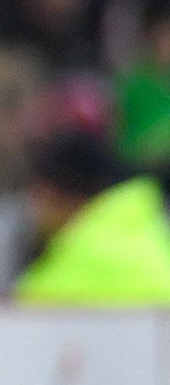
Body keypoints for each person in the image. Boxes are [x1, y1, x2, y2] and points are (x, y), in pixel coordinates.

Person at [14, 128, 170, 306]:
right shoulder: (145, 226)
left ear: (53, 193)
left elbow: (27, 305)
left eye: (37, 192)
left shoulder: (77, 258)